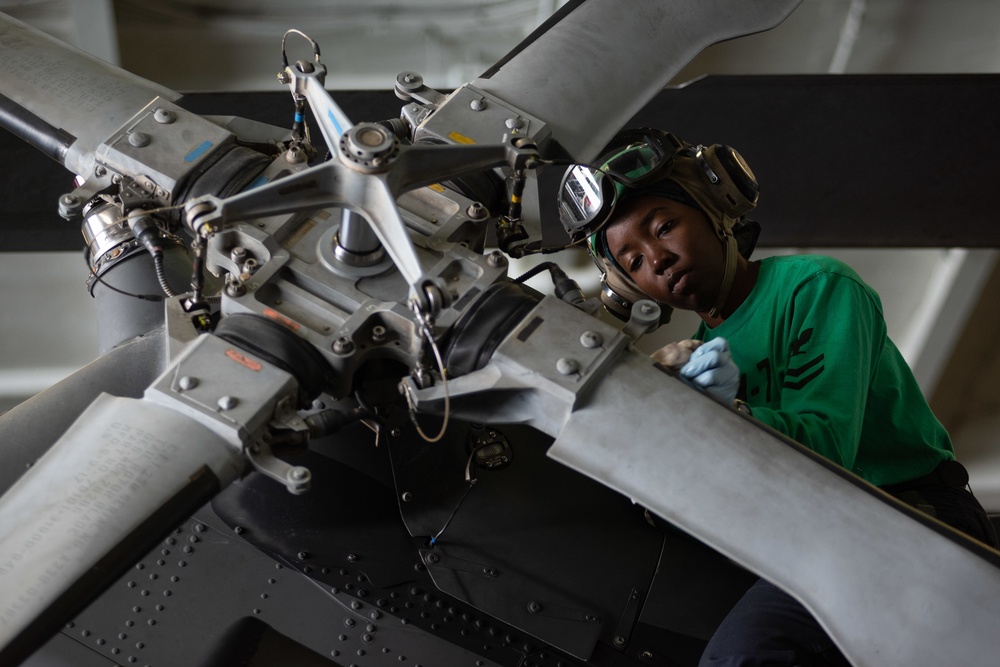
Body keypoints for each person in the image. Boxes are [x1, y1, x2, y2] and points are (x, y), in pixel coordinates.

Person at [564, 128, 999, 666]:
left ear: (713, 208)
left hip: (908, 513)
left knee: (748, 655)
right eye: (631, 262)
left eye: (665, 226)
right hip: (809, 537)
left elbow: (830, 448)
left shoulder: (815, 287)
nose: (656, 259)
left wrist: (725, 417)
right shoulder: (697, 358)